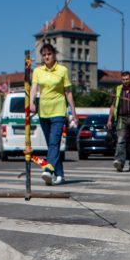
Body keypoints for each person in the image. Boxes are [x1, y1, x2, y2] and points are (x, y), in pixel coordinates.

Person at [30, 43, 78, 185]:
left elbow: (68, 92)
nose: (46, 57)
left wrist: (73, 112)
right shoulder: (38, 71)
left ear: (54, 54)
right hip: (43, 112)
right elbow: (34, 88)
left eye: (49, 54)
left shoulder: (63, 70)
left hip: (58, 111)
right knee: (52, 146)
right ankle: (60, 175)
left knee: (53, 143)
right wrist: (32, 101)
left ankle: (48, 170)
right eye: (44, 55)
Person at [107, 71, 130, 172]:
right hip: (121, 118)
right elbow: (113, 105)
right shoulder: (118, 89)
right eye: (123, 80)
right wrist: (109, 119)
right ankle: (120, 162)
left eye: (127, 79)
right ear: (121, 80)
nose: (125, 81)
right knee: (120, 140)